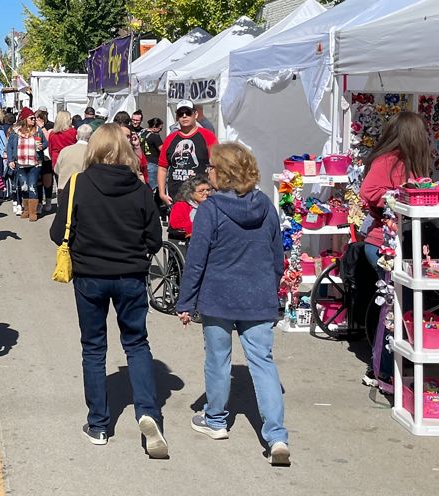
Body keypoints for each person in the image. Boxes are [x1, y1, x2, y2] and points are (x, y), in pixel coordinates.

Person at [48, 126, 167, 459]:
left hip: (89, 277)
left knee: (94, 347)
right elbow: (154, 239)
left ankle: (99, 424)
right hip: (131, 275)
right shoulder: (141, 188)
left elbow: (59, 233)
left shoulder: (78, 186)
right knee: (137, 343)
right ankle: (147, 412)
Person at [175, 142, 289, 467]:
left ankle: (216, 421)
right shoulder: (266, 205)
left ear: (222, 172)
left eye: (211, 167)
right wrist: (271, 287)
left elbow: (196, 260)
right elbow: (276, 257)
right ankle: (277, 435)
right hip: (258, 298)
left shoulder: (210, 209)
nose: (207, 171)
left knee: (217, 361)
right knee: (263, 364)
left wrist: (186, 302)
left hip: (219, 298)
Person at [359, 111, 433, 400]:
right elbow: (368, 192)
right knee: (395, 311)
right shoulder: (389, 160)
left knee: (396, 310)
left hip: (401, 244)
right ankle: (384, 370)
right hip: (383, 245)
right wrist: (396, 197)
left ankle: (383, 367)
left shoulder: (411, 163)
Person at [158, 99, 218, 207]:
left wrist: (216, 188)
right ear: (177, 117)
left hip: (201, 198)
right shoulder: (170, 139)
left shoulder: (208, 136)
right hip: (176, 198)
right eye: (181, 114)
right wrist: (162, 193)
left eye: (188, 113)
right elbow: (162, 168)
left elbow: (216, 165)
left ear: (195, 115)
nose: (184, 116)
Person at [6, 107, 47, 221]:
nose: (34, 120)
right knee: (24, 187)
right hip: (21, 164)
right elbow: (10, 147)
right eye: (31, 118)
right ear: (24, 119)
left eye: (34, 118)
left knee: (32, 186)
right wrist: (10, 160)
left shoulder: (38, 130)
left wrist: (41, 147)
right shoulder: (16, 132)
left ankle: (33, 212)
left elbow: (45, 143)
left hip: (35, 164)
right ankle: (26, 210)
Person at [54, 123, 93, 190]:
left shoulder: (65, 150)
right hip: (83, 189)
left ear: (76, 136)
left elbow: (57, 170)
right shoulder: (92, 152)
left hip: (64, 188)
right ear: (91, 137)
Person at [141, 118, 165, 193]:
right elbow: (162, 150)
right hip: (153, 163)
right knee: (152, 188)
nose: (160, 130)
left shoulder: (142, 134)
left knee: (145, 186)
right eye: (160, 129)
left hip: (143, 162)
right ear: (154, 127)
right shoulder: (155, 136)